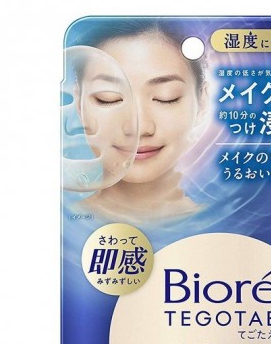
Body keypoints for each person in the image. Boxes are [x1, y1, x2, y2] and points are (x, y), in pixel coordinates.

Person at [72, 20, 209, 223]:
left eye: (166, 97)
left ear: (202, 103)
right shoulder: (62, 223)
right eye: (108, 98)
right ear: (78, 104)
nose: (139, 128)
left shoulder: (230, 228)